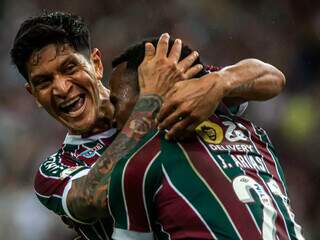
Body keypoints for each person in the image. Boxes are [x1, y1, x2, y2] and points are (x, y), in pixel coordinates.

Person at [9, 11, 296, 239]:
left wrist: (218, 82)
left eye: (69, 68)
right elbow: (91, 197)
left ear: (96, 64)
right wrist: (151, 102)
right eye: (44, 82)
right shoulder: (56, 169)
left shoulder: (143, 81)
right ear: (33, 95)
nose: (61, 88)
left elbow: (271, 79)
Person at [106, 39, 305, 239]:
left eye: (115, 101)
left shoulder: (139, 164)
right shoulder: (253, 134)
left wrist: (217, 81)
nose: (111, 117)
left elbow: (273, 77)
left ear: (151, 86)